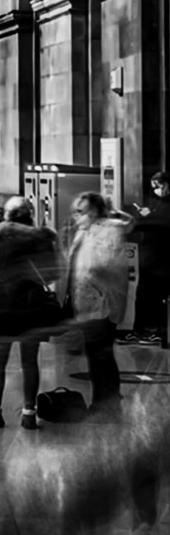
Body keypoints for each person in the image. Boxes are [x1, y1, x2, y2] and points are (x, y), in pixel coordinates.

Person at [0, 196, 61, 431]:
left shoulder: (2, 238)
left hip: (7, 304)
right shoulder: (43, 238)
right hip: (34, 304)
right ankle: (29, 414)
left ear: (8, 215)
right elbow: (52, 273)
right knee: (30, 362)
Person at [57, 191, 130, 413]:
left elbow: (105, 264)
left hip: (102, 302)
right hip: (85, 303)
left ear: (96, 211)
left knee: (102, 356)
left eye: (81, 212)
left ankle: (107, 404)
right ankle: (103, 401)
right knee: (96, 355)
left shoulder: (110, 231)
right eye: (75, 212)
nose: (77, 217)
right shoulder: (83, 232)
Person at [124, 170, 170, 346]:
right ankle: (144, 329)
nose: (156, 191)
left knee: (153, 296)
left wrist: (147, 217)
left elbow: (160, 224)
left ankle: (154, 330)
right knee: (145, 295)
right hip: (154, 259)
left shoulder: (165, 207)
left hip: (160, 260)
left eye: (158, 187)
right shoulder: (160, 204)